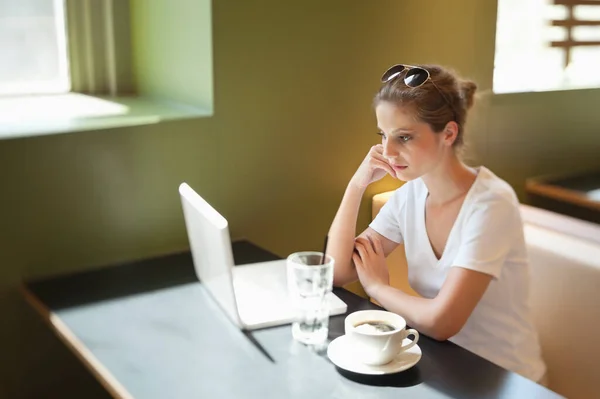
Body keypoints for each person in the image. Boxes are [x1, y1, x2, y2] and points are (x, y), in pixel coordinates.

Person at [327, 64, 547, 384]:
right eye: (383, 136)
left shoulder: (491, 204)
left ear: (448, 133)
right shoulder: (410, 196)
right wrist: (356, 185)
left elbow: (443, 323)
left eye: (403, 137)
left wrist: (378, 288)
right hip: (443, 364)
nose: (387, 152)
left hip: (505, 378)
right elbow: (337, 272)